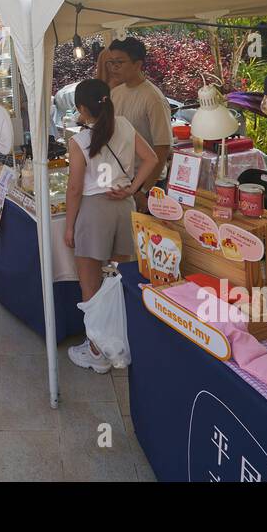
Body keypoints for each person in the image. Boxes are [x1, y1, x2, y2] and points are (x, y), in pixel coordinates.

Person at [63, 79, 158, 374]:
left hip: (94, 212)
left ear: (81, 108)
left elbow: (75, 188)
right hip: (123, 210)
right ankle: (119, 344)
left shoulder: (79, 141)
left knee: (89, 286)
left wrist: (69, 227)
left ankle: (96, 351)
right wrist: (131, 189)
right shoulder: (125, 125)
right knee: (120, 281)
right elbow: (151, 159)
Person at [105, 38, 173, 212]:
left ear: (138, 64)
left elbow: (162, 148)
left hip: (147, 182)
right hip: (121, 178)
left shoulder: (153, 99)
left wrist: (144, 190)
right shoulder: (115, 93)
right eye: (111, 62)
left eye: (119, 62)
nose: (114, 67)